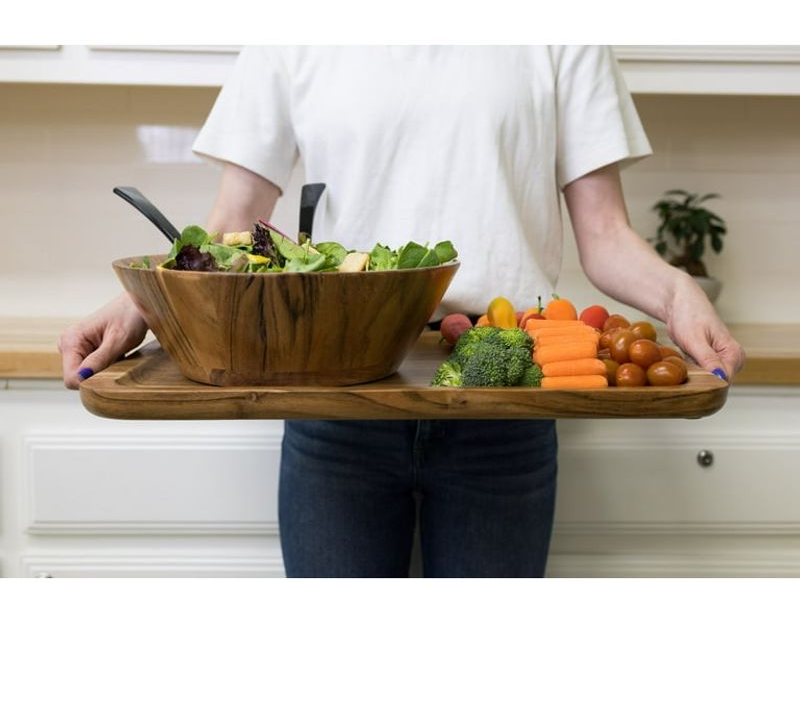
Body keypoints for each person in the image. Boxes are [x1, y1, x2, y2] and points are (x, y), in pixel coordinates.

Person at [60, 46, 745, 578]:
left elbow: (605, 235)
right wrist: (142, 303)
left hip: (503, 400)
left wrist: (678, 292)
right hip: (333, 394)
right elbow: (235, 224)